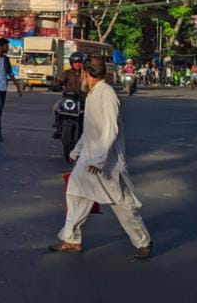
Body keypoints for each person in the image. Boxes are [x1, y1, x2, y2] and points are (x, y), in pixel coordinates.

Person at [49, 56, 152, 259]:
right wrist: (77, 150)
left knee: (121, 203)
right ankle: (71, 239)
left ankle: (143, 242)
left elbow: (110, 129)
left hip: (106, 162)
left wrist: (99, 159)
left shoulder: (106, 94)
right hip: (89, 158)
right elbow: (91, 130)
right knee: (76, 194)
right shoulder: (94, 93)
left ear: (87, 73)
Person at [0, 38, 23, 141]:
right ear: (0, 47)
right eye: (6, 46)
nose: (8, 48)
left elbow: (10, 74)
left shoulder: (6, 59)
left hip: (3, 88)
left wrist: (17, 86)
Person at [50, 52, 88, 139]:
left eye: (79, 62)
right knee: (56, 107)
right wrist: (55, 84)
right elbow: (59, 81)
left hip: (82, 99)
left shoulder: (87, 74)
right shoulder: (67, 73)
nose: (77, 64)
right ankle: (58, 127)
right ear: (71, 63)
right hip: (68, 99)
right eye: (75, 62)